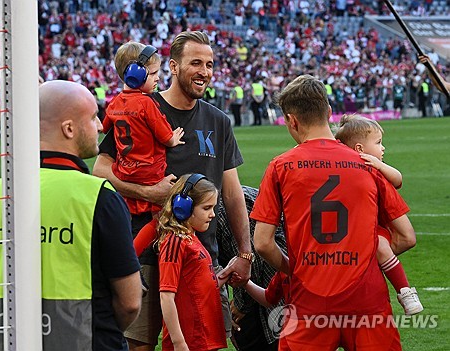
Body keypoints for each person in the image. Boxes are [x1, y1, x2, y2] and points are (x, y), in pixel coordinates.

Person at [93, 31, 251, 351]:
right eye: (195, 63)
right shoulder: (140, 107)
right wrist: (148, 193)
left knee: (204, 345)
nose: (204, 71)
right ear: (174, 67)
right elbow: (100, 169)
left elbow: (232, 195)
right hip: (148, 255)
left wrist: (245, 253)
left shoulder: (218, 121)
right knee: (139, 345)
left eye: (208, 64)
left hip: (203, 256)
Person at [251, 75, 416, 350]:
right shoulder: (368, 163)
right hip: (366, 299)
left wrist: (293, 270)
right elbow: (407, 236)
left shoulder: (280, 167)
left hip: (309, 301)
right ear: (329, 113)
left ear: (291, 121)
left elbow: (263, 243)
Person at [0, 80, 142, 351]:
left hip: (11, 341)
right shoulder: (98, 194)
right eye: (92, 118)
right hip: (88, 341)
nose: (100, 126)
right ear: (68, 129)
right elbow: (130, 301)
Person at [335, 114, 423, 315]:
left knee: (381, 246)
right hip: (350, 232)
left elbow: (398, 179)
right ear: (359, 149)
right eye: (378, 142)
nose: (383, 148)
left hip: (371, 230)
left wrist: (380, 165)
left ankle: (405, 291)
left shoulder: (376, 168)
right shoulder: (352, 169)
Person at [102, 41, 184, 217]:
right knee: (159, 217)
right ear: (135, 75)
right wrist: (173, 138)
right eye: (153, 73)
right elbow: (165, 136)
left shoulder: (114, 102)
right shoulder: (147, 102)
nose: (158, 77)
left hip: (124, 171)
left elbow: (104, 128)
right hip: (149, 172)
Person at [158, 174, 227, 351]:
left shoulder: (191, 238)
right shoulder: (175, 242)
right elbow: (166, 296)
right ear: (184, 207)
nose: (212, 214)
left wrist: (227, 273)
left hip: (203, 338)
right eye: (206, 208)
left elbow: (197, 286)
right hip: (190, 341)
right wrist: (179, 343)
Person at [216, 185, 286, 351]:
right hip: (273, 282)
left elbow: (249, 260)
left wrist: (240, 306)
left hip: (274, 280)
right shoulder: (218, 201)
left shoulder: (219, 211)